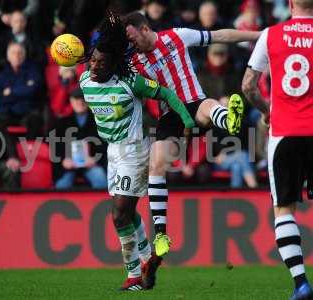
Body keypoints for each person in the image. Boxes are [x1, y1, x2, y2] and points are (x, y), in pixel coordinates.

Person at [123, 12, 260, 257]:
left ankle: (230, 120)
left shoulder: (177, 36)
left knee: (207, 105)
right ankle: (161, 234)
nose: (131, 44)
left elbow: (220, 35)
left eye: (133, 38)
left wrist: (260, 35)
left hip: (194, 102)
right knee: (156, 164)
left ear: (144, 28)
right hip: (170, 116)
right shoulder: (134, 60)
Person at [80, 13, 195, 291]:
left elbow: (167, 94)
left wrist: (187, 120)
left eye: (101, 63)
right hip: (113, 153)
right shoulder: (85, 79)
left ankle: (133, 275)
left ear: (113, 64)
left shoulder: (130, 82)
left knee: (119, 214)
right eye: (92, 60)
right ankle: (146, 259)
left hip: (134, 151)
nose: (95, 66)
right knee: (128, 214)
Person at [242, 0, 313, 299]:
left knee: (284, 209)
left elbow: (248, 85)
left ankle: (301, 284)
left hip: (285, 133)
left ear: (290, 4)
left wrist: (267, 110)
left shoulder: (270, 34)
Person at [54, 88, 107, 190]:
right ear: (71, 101)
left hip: (91, 165)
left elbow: (104, 146)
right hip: (69, 166)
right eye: (76, 99)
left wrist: (95, 159)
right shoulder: (62, 123)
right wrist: (63, 161)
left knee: (101, 181)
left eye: (83, 99)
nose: (80, 102)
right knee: (62, 185)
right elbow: (56, 146)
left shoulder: (98, 122)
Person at [0, 42, 43, 137]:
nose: (17, 56)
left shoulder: (33, 70)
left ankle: (30, 151)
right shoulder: (2, 74)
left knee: (35, 119)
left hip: (28, 111)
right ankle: (9, 151)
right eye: (13, 53)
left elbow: (33, 91)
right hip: (8, 112)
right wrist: (23, 90)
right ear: (8, 57)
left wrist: (11, 91)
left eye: (20, 53)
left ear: (24, 56)